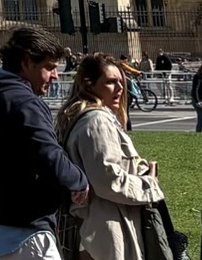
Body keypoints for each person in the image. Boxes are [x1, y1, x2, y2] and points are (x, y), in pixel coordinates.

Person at [0, 25, 89, 260]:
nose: (55, 75)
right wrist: (79, 181)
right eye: (49, 68)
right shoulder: (25, 102)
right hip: (24, 229)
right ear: (26, 63)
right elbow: (49, 157)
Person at [56, 54, 167, 260]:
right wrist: (148, 184)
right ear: (89, 85)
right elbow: (108, 180)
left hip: (104, 222)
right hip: (105, 226)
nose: (120, 88)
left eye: (121, 82)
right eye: (110, 82)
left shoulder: (90, 118)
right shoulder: (96, 121)